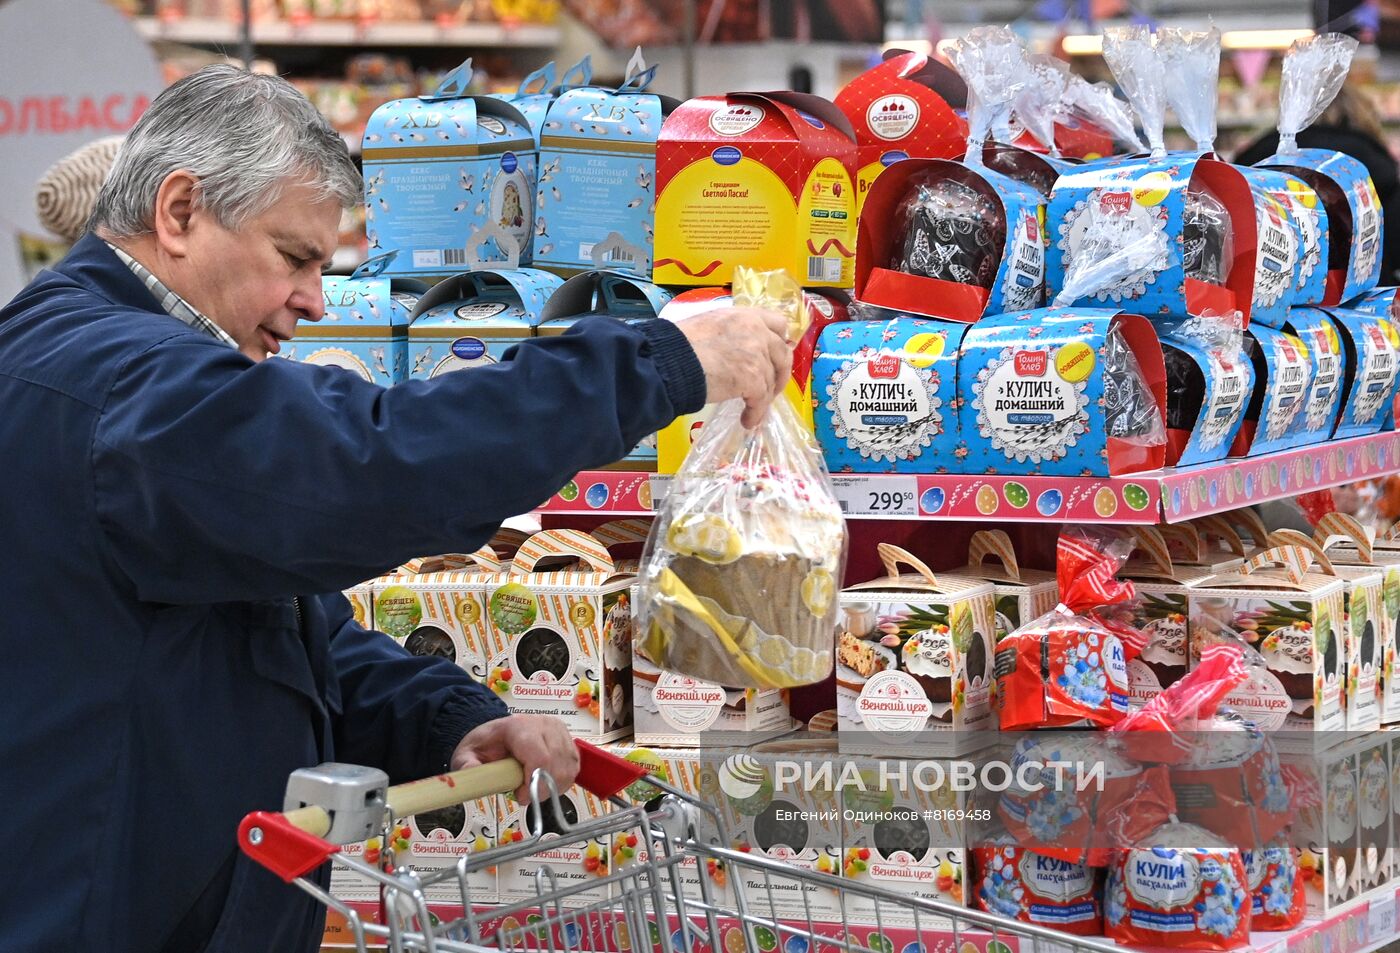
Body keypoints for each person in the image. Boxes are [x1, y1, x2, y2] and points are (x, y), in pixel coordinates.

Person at [0, 65, 792, 953]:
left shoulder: (128, 380)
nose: (312, 300)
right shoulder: (120, 388)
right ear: (180, 212)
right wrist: (658, 362)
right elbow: (369, 463)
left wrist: (443, 718)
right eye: (293, 257)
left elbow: (274, 634)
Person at [1234, 84, 1400, 284]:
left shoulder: (1259, 157)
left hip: (1267, 294)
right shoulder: (1375, 164)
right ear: (1364, 114)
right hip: (1363, 300)